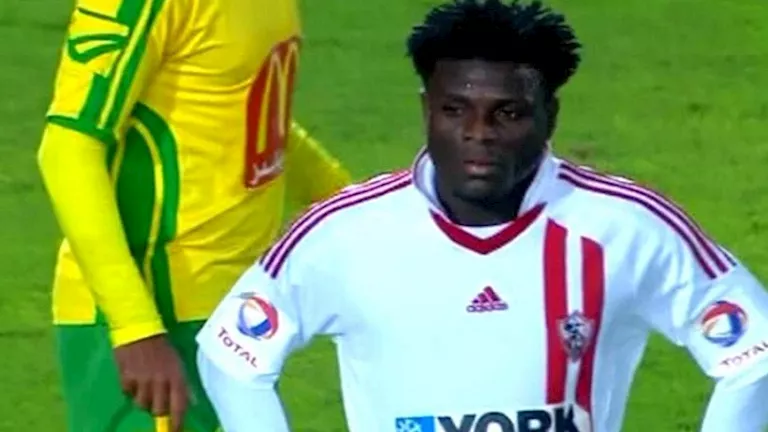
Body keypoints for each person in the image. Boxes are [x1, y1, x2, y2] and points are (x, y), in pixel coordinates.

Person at [194, 0, 768, 431]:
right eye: (455, 110)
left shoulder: (627, 227)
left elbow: (754, 356)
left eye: (508, 113)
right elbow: (231, 356)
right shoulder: (344, 234)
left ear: (550, 115)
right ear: (427, 110)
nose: (478, 133)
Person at [35, 0, 351, 430]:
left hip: (241, 315)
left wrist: (356, 206)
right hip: (158, 320)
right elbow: (68, 149)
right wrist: (136, 328)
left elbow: (252, 118)